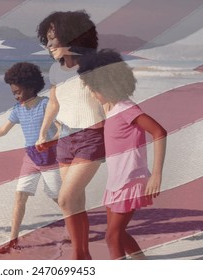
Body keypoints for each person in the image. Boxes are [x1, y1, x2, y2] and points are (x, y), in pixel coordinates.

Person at [78, 49, 167, 259]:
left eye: (94, 90)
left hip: (130, 181)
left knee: (112, 237)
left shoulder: (127, 108)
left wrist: (156, 175)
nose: (92, 94)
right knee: (119, 234)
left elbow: (159, 132)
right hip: (116, 183)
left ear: (108, 86)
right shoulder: (111, 109)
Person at [35, 10, 105, 259]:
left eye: (53, 37)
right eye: (46, 38)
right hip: (65, 137)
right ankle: (82, 255)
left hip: (92, 137)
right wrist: (44, 133)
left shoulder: (93, 66)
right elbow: (54, 104)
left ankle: (79, 257)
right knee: (75, 203)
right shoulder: (55, 71)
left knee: (65, 199)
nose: (48, 44)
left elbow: (109, 104)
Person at [0, 62, 61, 254]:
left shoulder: (45, 105)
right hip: (31, 158)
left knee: (60, 198)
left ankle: (78, 224)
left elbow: (61, 129)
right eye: (13, 93)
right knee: (20, 196)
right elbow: (3, 130)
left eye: (18, 92)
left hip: (50, 159)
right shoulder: (18, 109)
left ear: (31, 87)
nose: (16, 96)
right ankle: (13, 240)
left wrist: (49, 142)